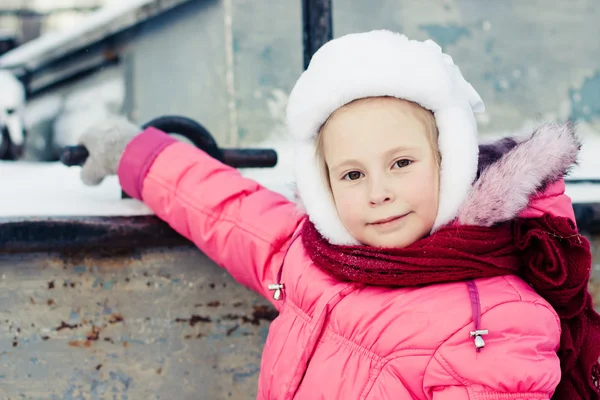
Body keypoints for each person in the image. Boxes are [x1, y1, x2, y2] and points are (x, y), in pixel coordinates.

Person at [76, 30, 600, 399]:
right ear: (324, 186)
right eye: (352, 174)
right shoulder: (310, 256)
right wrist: (132, 152)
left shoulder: (491, 323)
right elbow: (224, 209)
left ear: (449, 159)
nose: (378, 192)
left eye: (400, 163)